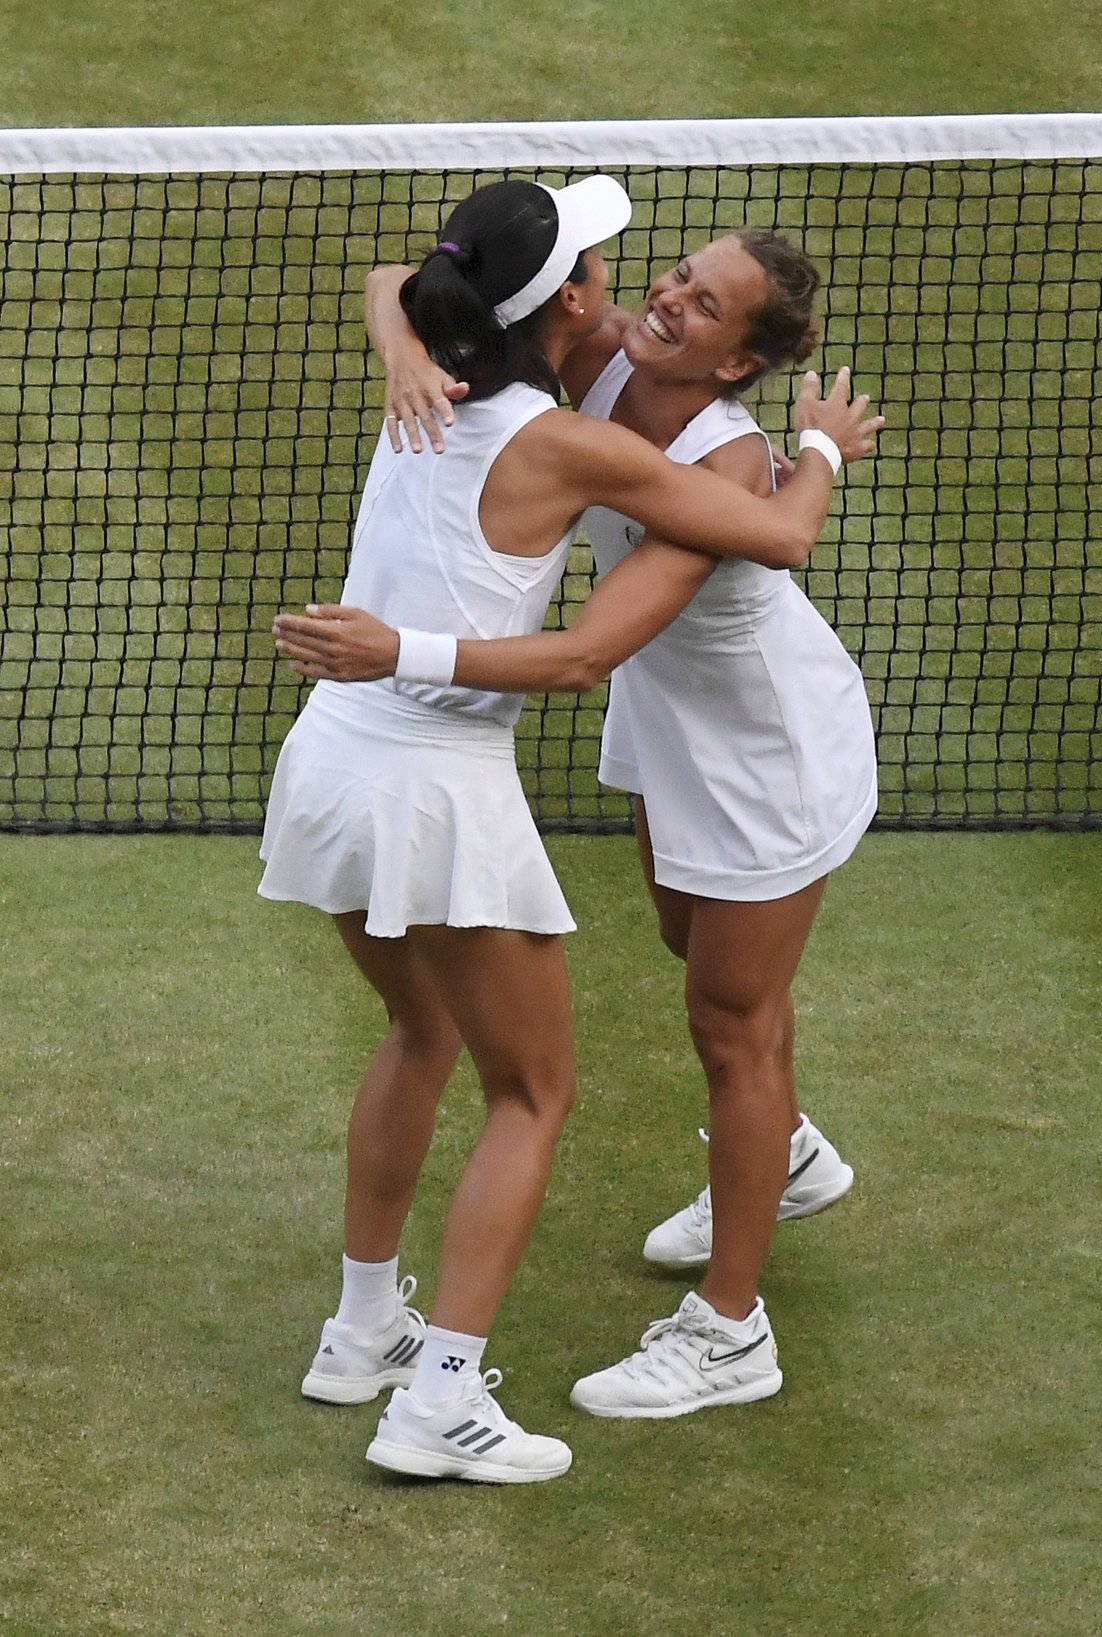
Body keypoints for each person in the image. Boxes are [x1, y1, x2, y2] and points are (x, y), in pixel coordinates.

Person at [263, 175, 881, 1480]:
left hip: (763, 745)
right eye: (661, 274)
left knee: (726, 1020)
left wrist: (816, 449)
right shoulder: (586, 365)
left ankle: (731, 1321)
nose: (661, 290)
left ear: (745, 360)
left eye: (702, 299)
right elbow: (399, 287)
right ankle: (782, 1145)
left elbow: (743, 554)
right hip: (646, 728)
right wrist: (398, 354)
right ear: (576, 306)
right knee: (689, 958)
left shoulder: (704, 446)